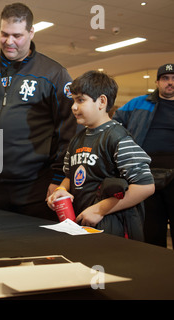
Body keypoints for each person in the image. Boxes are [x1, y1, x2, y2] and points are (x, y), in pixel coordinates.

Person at [0, 3, 77, 220]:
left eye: (17, 35)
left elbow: (69, 130)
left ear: (31, 33)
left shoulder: (54, 74)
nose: (9, 42)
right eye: (4, 34)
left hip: (35, 186)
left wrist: (59, 177)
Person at [47, 70, 155, 240]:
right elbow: (70, 176)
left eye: (81, 100)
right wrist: (62, 189)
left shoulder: (118, 138)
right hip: (85, 225)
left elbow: (145, 186)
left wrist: (99, 209)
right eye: (74, 100)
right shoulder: (77, 139)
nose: (74, 107)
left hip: (115, 228)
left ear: (102, 101)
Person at [113, 63, 174, 247]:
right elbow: (114, 125)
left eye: (173, 78)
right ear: (157, 82)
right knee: (151, 229)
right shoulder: (138, 103)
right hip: (145, 173)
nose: (170, 82)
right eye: (165, 78)